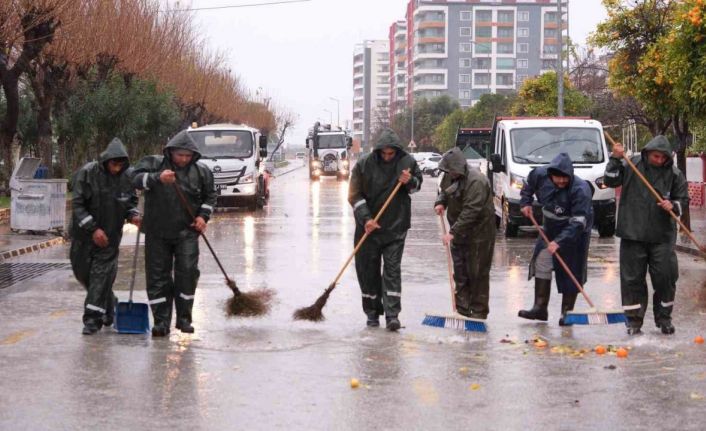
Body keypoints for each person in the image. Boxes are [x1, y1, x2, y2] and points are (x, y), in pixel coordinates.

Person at [132, 130, 217, 337]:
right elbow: (133, 179)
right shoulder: (153, 164)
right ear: (171, 153)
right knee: (157, 277)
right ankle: (161, 321)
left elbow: (210, 197)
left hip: (187, 233)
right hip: (156, 232)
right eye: (180, 155)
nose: (184, 159)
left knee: (187, 273)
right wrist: (156, 178)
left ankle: (184, 319)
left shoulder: (202, 172)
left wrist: (202, 217)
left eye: (188, 156)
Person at [604, 135, 688, 335]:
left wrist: (673, 205)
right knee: (632, 279)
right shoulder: (632, 165)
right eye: (656, 156)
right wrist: (615, 159)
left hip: (662, 236)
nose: (659, 161)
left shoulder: (675, 174)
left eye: (663, 158)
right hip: (633, 233)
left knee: (666, 277)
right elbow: (610, 180)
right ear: (648, 153)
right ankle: (633, 321)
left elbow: (682, 200)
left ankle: (664, 318)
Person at [348, 128, 423, 331]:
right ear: (378, 150)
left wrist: (411, 182)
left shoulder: (407, 162)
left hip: (395, 227)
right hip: (368, 229)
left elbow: (417, 186)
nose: (388, 157)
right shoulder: (364, 165)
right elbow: (354, 195)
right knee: (367, 271)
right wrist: (366, 219)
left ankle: (392, 315)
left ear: (397, 151)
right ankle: (372, 313)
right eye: (384, 153)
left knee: (392, 270)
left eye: (392, 154)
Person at [70, 137, 140, 335]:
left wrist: (133, 214)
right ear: (106, 160)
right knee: (83, 275)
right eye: (113, 164)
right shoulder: (88, 173)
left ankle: (92, 320)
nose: (116, 168)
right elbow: (77, 204)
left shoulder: (128, 177)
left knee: (100, 277)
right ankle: (111, 303)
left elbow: (130, 202)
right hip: (83, 236)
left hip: (109, 239)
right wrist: (93, 229)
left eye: (120, 164)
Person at [518, 152, 593, 325]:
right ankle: (540, 308)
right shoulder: (539, 174)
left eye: (564, 178)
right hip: (549, 227)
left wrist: (559, 242)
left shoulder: (580, 189)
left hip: (576, 231)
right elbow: (528, 186)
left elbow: (579, 222)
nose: (560, 181)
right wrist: (525, 203)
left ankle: (567, 313)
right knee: (542, 261)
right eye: (557, 178)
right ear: (550, 174)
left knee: (570, 269)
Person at [433, 147, 496, 319]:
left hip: (480, 233)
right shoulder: (449, 176)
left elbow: (471, 211)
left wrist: (452, 232)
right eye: (448, 171)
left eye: (451, 171)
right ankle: (461, 309)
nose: (449, 174)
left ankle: (478, 312)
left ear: (459, 168)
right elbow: (444, 192)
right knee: (460, 272)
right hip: (459, 232)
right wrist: (440, 203)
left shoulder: (476, 182)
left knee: (477, 272)